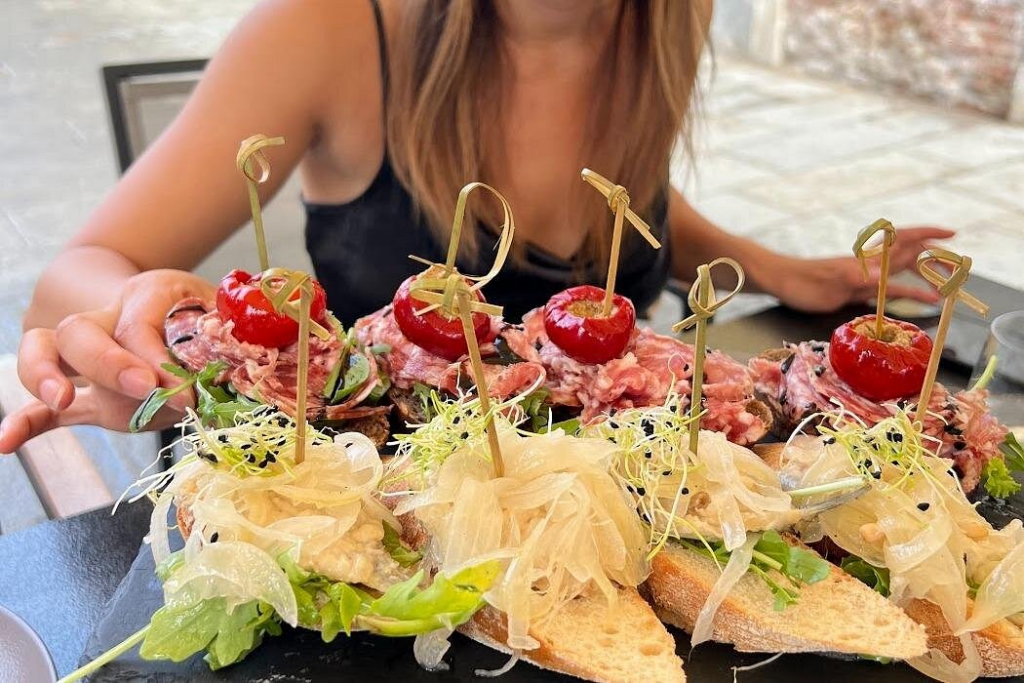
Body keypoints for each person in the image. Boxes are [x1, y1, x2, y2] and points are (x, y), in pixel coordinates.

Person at [0, 0, 951, 454]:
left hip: (603, 499)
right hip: (359, 492)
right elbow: (71, 275)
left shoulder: (665, 21)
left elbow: (627, 205)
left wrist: (785, 269)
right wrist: (140, 319)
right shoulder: (324, 30)